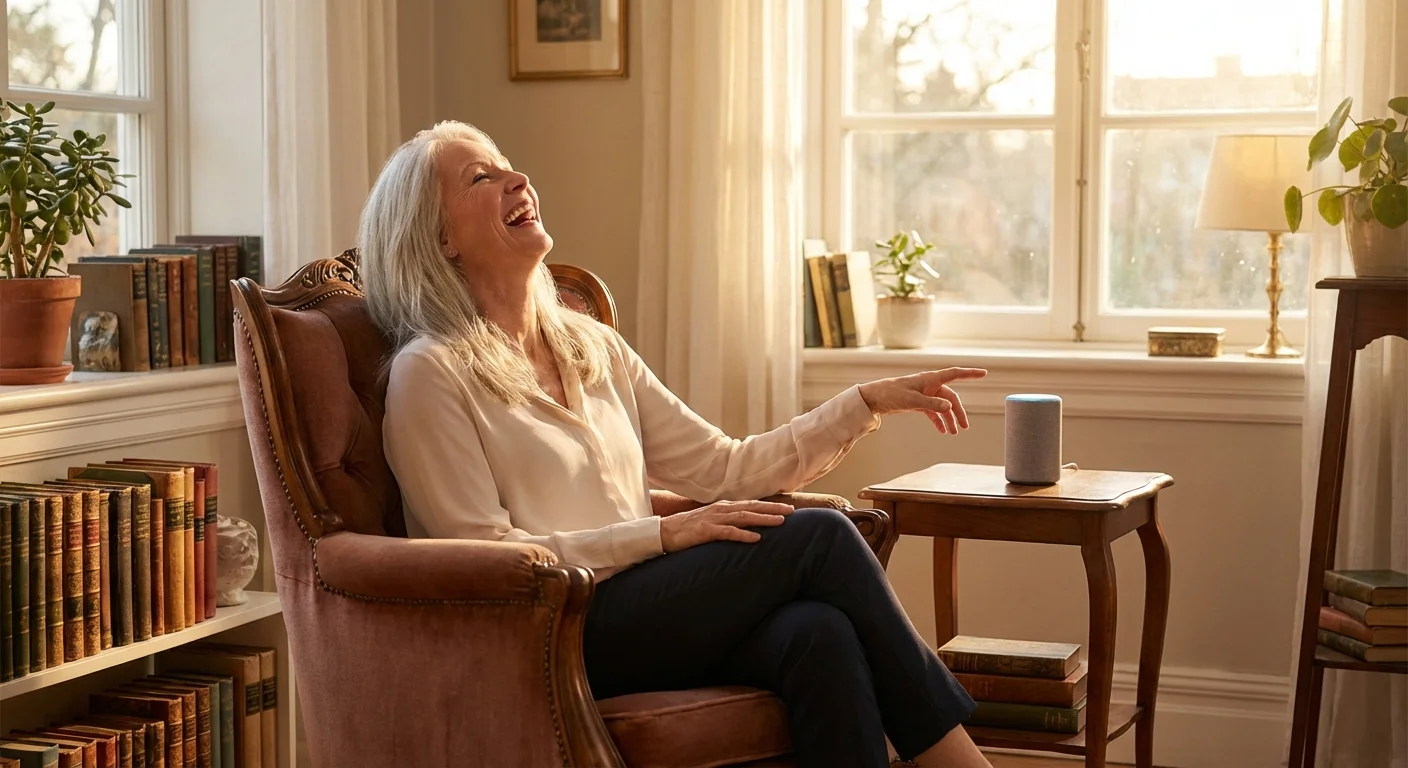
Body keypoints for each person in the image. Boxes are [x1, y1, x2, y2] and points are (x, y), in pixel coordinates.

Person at [361, 120, 993, 768]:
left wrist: (864, 402)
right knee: (823, 537)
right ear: (440, 239)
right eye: (480, 178)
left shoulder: (593, 348)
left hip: (654, 608)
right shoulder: (430, 373)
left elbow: (725, 467)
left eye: (506, 164)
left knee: (819, 635)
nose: (516, 180)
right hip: (554, 629)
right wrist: (663, 536)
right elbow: (487, 558)